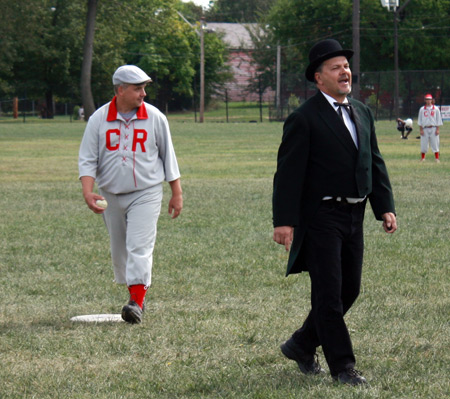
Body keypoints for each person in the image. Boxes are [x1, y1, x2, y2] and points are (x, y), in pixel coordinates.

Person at [272, 39, 397, 386]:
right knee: (328, 293)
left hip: (354, 216)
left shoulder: (362, 111)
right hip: (320, 217)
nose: (345, 72)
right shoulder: (303, 118)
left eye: (346, 66)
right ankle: (343, 367)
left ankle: (301, 343)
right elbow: (287, 174)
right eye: (335, 67)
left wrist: (384, 207)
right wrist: (283, 221)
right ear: (319, 78)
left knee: (349, 290)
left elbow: (373, 161)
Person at [78, 65, 183, 324]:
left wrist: (176, 192)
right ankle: (134, 294)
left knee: (139, 245)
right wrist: (87, 191)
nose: (143, 93)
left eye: (144, 88)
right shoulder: (99, 119)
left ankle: (136, 302)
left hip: (146, 192)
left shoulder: (155, 117)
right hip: (110, 194)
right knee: (120, 249)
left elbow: (168, 156)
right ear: (120, 89)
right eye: (138, 88)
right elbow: (88, 159)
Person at [418, 94, 442, 162]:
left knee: (435, 143)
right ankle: (423, 158)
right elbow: (420, 120)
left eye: (429, 99)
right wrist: (421, 129)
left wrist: (437, 129)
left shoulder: (436, 109)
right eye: (427, 99)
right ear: (425, 100)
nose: (428, 101)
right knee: (424, 143)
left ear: (432, 100)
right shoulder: (422, 109)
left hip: (433, 128)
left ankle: (437, 158)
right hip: (425, 128)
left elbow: (438, 119)